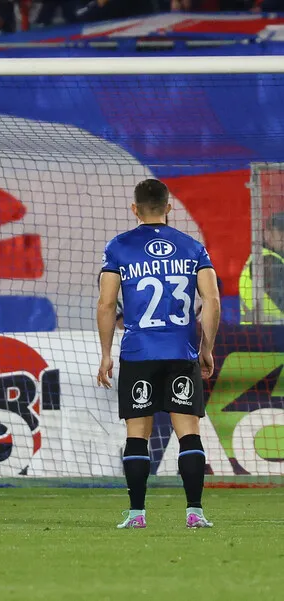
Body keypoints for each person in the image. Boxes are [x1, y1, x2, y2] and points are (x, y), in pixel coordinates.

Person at [97, 178, 220, 530]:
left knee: (137, 434)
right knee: (189, 433)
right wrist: (206, 348)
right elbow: (211, 300)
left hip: (138, 353)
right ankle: (195, 512)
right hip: (181, 351)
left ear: (134, 209)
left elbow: (106, 304)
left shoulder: (119, 247)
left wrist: (106, 353)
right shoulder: (193, 248)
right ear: (169, 207)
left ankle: (137, 514)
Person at [239, 212, 284, 324]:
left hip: (261, 331)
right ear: (267, 234)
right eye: (281, 234)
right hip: (267, 332)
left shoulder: (263, 258)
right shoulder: (267, 261)